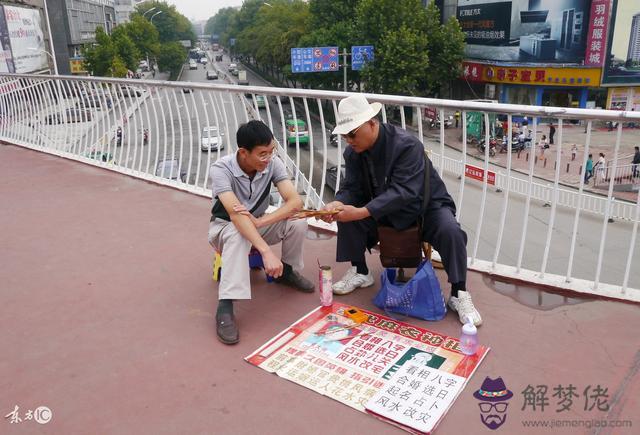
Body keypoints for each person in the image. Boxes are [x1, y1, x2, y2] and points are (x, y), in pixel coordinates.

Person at [320, 94, 481, 326]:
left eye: (352, 134)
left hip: (425, 206)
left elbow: (406, 192)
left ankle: (459, 292)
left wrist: (364, 211)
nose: (348, 140)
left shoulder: (406, 145)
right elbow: (351, 188)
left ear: (372, 123)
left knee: (450, 230)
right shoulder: (353, 153)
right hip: (381, 208)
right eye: (344, 135)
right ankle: (361, 271)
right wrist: (338, 203)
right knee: (345, 215)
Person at [208, 120, 314, 344]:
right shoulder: (221, 169)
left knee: (297, 219)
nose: (268, 159)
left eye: (271, 152)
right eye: (262, 154)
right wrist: (266, 252)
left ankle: (287, 272)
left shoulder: (272, 164)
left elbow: (294, 201)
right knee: (238, 232)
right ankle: (225, 306)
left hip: (257, 223)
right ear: (243, 152)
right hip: (224, 228)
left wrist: (261, 221)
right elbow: (236, 216)